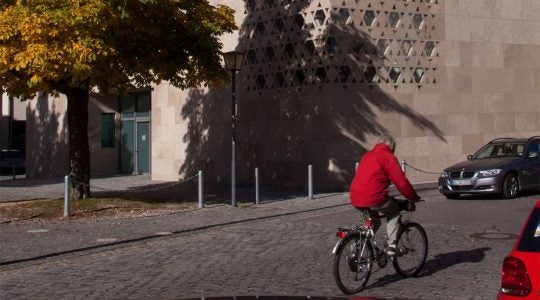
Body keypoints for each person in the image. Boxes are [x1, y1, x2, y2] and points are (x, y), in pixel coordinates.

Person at [350, 134, 420, 255]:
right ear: (392, 146)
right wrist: (413, 197)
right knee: (393, 212)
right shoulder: (388, 157)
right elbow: (401, 183)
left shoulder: (367, 155)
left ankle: (359, 244)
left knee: (374, 221)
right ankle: (392, 246)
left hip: (355, 197)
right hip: (374, 197)